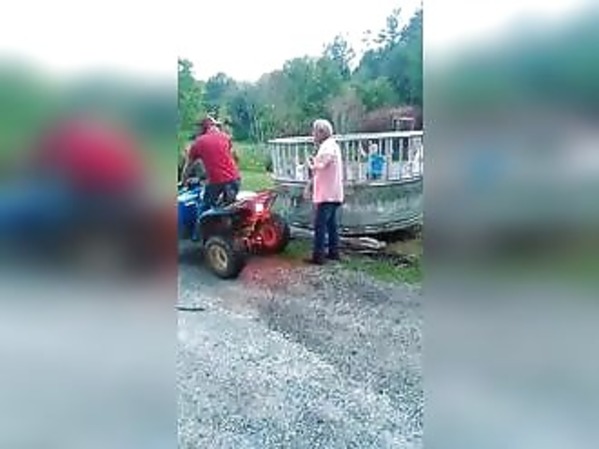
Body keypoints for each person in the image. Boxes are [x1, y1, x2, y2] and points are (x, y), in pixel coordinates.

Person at [305, 119, 344, 265]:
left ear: (321, 132)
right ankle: (334, 252)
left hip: (327, 194)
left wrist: (311, 164)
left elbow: (322, 165)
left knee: (320, 226)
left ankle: (318, 257)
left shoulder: (327, 147)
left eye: (314, 131)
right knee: (332, 225)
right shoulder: (332, 145)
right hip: (333, 193)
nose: (313, 135)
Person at [183, 117, 241, 211]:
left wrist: (184, 181)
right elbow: (235, 157)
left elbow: (188, 166)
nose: (196, 131)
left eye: (197, 128)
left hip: (216, 182)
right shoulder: (225, 137)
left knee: (204, 208)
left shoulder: (198, 143)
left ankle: (201, 220)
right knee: (229, 207)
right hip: (234, 180)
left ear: (202, 128)